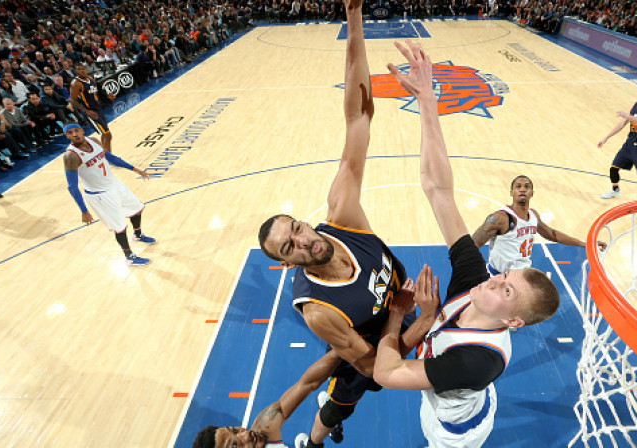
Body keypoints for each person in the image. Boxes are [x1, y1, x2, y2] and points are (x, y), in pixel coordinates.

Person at [257, 2, 435, 447]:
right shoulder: (319, 312)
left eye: (295, 228)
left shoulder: (343, 215)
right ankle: (314, 440)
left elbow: (358, 117)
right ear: (286, 265)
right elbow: (375, 366)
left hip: (402, 309)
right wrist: (411, 319)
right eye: (287, 248)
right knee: (339, 403)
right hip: (370, 343)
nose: (301, 241)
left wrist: (354, 17)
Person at [373, 39, 560, 448]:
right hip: (444, 386)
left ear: (514, 322)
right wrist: (427, 101)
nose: (493, 281)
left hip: (455, 431)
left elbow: (384, 374)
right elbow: (438, 190)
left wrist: (399, 316)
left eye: (505, 289)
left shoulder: (476, 361)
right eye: (504, 275)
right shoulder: (477, 280)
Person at [192, 351, 341, 448]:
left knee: (334, 410)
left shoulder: (264, 425)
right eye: (235, 445)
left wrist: (340, 350)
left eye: (235, 429)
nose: (245, 434)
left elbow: (307, 383)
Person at [472, 175, 607, 276]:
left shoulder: (533, 215)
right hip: (498, 276)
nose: (523, 190)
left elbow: (552, 234)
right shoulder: (501, 218)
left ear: (532, 193)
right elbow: (472, 245)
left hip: (522, 275)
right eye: (518, 187)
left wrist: (586, 243)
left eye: (527, 187)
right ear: (511, 192)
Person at [62, 123, 155, 266]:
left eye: (76, 131)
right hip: (100, 194)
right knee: (120, 226)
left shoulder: (94, 140)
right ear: (66, 136)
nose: (74, 134)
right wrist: (84, 211)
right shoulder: (71, 156)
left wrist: (134, 169)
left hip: (114, 184)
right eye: (70, 133)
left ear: (82, 130)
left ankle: (138, 235)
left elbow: (111, 157)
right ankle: (129, 256)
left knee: (137, 208)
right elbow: (72, 187)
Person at [597, 80, 637, 218]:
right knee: (613, 168)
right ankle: (615, 189)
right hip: (629, 144)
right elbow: (622, 123)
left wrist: (628, 116)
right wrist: (606, 137)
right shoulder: (635, 104)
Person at [70, 63, 116, 152]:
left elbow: (97, 92)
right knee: (107, 134)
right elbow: (72, 100)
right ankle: (110, 157)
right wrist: (87, 111)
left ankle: (105, 155)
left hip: (98, 109)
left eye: (83, 68)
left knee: (105, 133)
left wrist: (107, 96)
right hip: (90, 112)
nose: (82, 70)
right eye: (79, 69)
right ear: (76, 71)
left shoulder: (91, 79)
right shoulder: (76, 83)